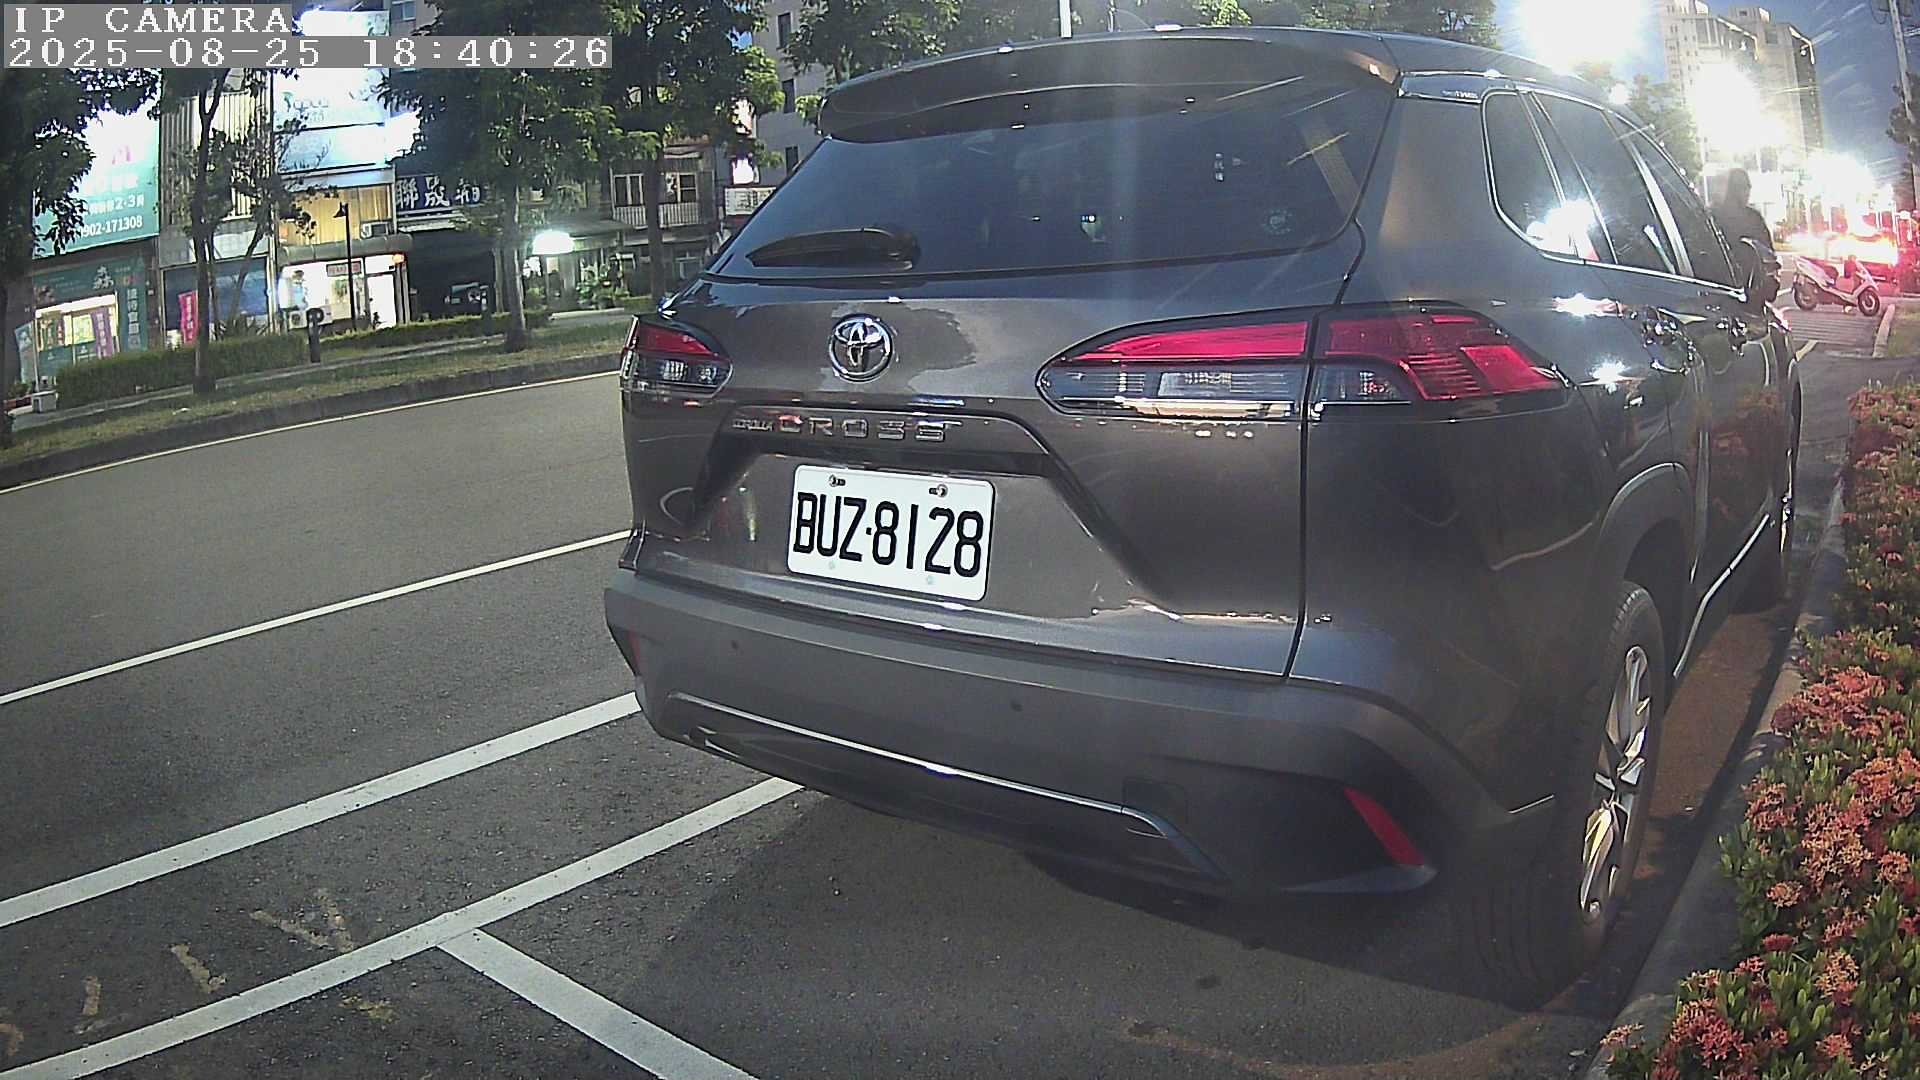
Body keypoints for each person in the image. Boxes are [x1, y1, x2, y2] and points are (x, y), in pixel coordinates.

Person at [1711, 168, 1780, 304]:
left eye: (1748, 188)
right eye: (1744, 188)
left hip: (1720, 290)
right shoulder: (1753, 218)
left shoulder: (1713, 216)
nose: (1747, 192)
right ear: (1735, 190)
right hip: (1749, 291)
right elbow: (1768, 255)